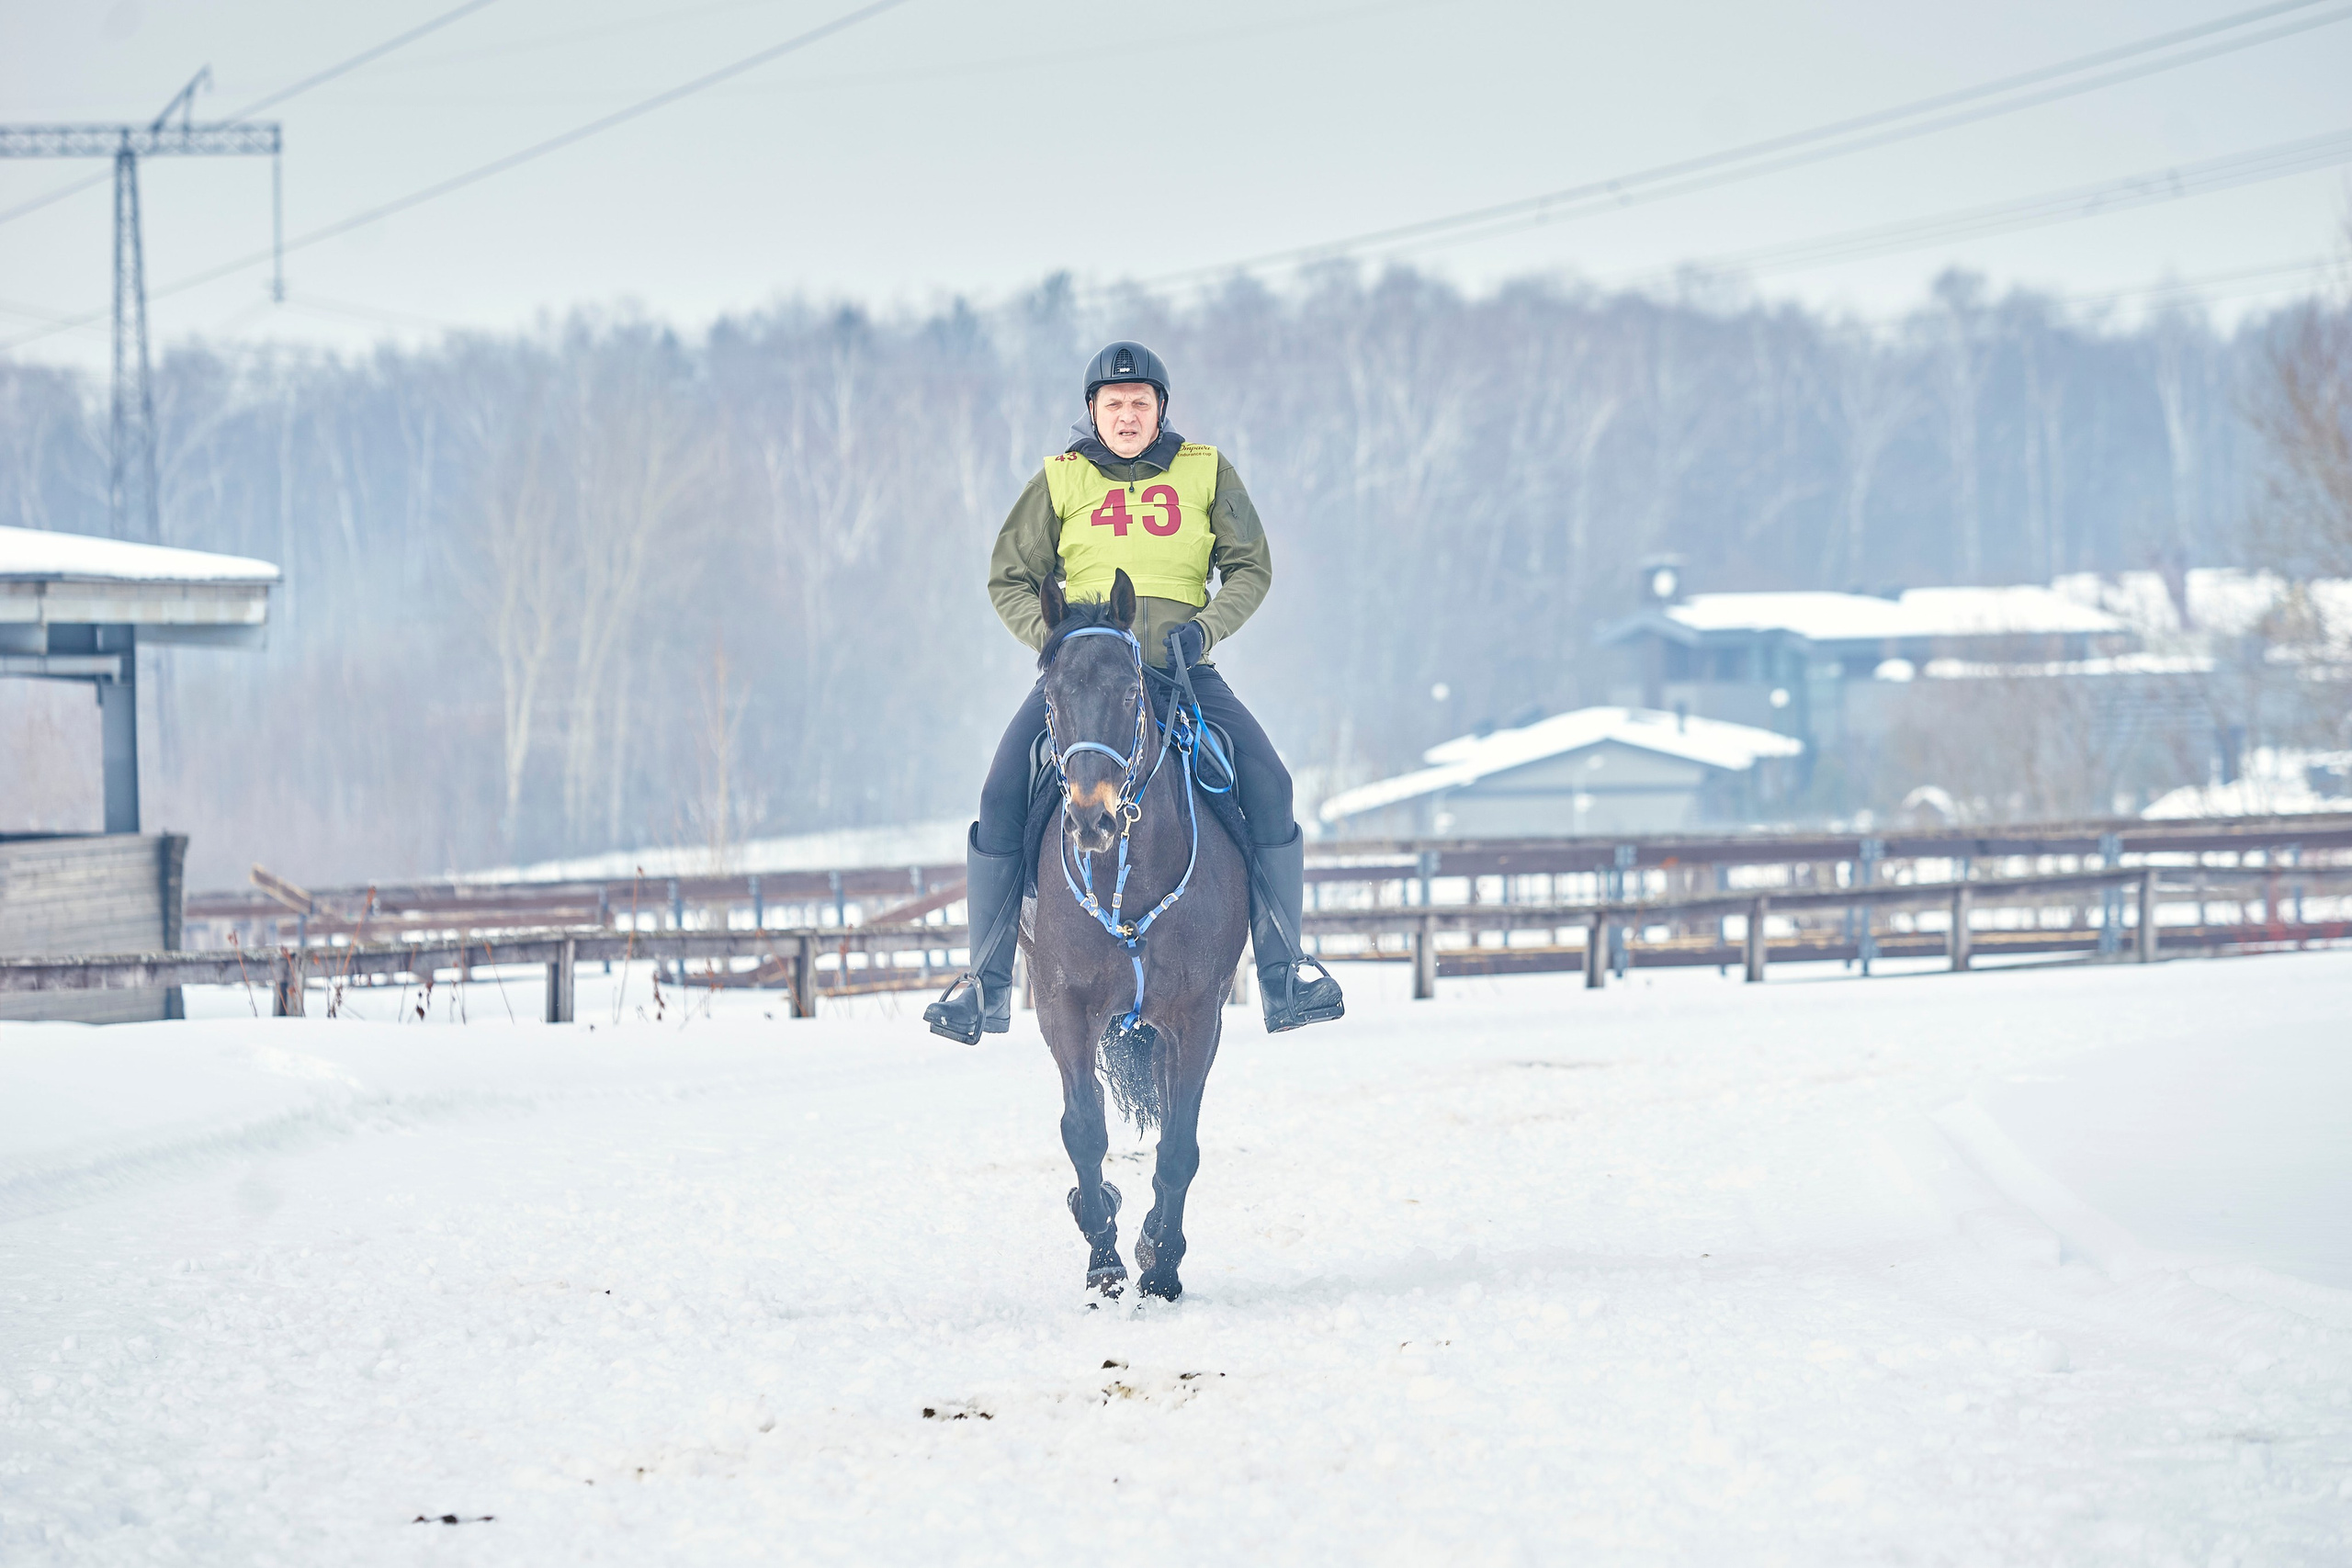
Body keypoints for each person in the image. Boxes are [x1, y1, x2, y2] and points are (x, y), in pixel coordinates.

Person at [924, 341, 1346, 1043]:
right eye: (1114, 404)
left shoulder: (1206, 469)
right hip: (1086, 681)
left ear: (1161, 409)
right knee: (1000, 792)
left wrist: (1204, 630)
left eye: (1140, 403)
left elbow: (1251, 567)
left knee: (1271, 782)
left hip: (1181, 672)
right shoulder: (1059, 479)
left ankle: (1284, 973)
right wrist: (1059, 644)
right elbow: (1009, 576)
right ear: (1092, 411)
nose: (1127, 415)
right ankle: (985, 983)